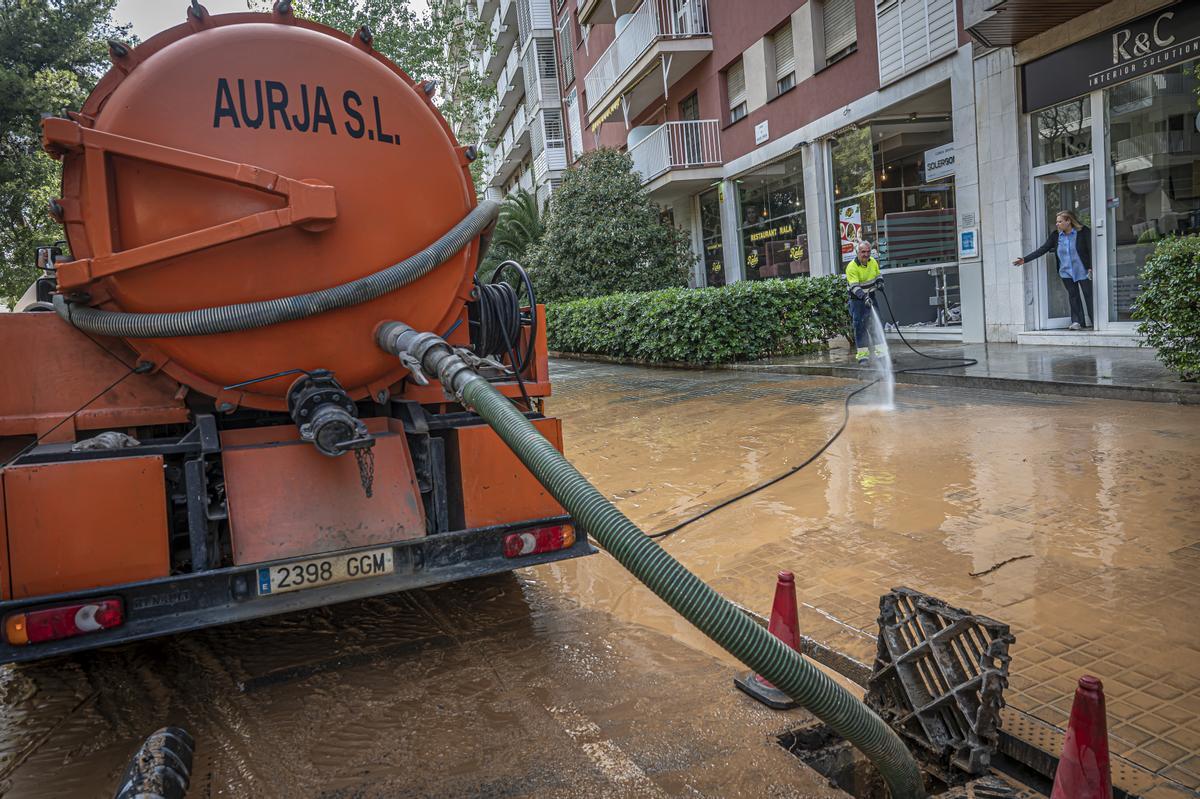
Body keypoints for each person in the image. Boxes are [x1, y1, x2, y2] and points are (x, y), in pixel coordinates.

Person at [1012, 211, 1094, 330]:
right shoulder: (1056, 235)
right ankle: (1077, 321)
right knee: (1073, 296)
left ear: (1068, 221)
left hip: (1082, 270)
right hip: (1065, 272)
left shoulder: (1083, 231)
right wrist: (1025, 259)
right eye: (1057, 221)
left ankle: (1096, 321)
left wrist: (1091, 266)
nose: (1057, 224)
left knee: (1089, 295)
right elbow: (1043, 249)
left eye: (1060, 221)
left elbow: (1091, 249)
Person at [846, 240, 885, 363]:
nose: (866, 255)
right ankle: (863, 356)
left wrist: (879, 282)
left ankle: (881, 353)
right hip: (857, 300)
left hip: (871, 296)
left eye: (868, 252)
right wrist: (864, 297)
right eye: (863, 252)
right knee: (860, 326)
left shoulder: (872, 262)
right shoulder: (851, 267)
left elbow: (878, 274)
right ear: (857, 253)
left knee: (876, 323)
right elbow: (854, 286)